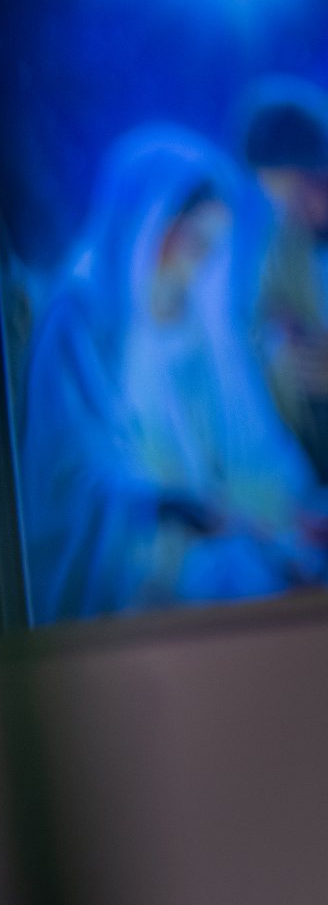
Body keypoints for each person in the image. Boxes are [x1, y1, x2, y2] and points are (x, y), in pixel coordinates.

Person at [20, 124, 327, 625]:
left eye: (213, 247)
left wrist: (293, 510)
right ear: (150, 222)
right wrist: (172, 507)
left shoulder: (199, 326)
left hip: (204, 547)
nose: (200, 263)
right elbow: (73, 477)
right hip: (128, 564)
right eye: (194, 241)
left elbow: (244, 445)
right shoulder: (84, 315)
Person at [240, 75, 328, 482]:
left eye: (305, 191)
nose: (296, 212)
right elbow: (264, 313)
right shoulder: (285, 242)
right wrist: (280, 332)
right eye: (282, 200)